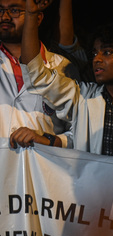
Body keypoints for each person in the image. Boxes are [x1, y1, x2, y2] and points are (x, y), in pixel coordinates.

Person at [14, 0, 113, 156]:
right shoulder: (82, 98)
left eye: (107, 52)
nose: (97, 59)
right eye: (94, 53)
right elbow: (37, 75)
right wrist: (31, 14)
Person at [0, 0, 80, 149]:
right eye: (0, 10)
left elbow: (81, 132)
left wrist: (48, 140)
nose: (5, 17)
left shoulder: (62, 66)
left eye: (15, 10)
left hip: (44, 168)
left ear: (37, 18)